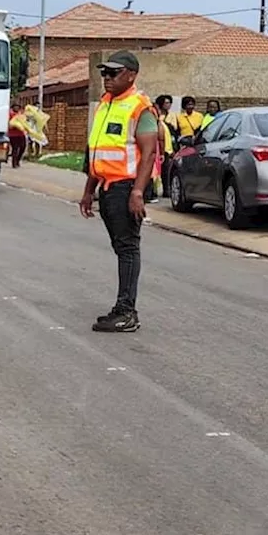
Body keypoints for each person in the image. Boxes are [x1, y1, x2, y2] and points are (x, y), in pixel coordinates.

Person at [79, 50, 158, 333]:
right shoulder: (106, 104)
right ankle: (122, 307)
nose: (107, 78)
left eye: (114, 73)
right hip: (108, 187)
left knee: (127, 248)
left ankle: (127, 312)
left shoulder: (140, 107)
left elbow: (149, 154)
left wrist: (137, 192)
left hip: (127, 187)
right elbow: (96, 151)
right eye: (104, 73)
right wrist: (89, 190)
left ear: (131, 75)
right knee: (120, 247)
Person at [154, 95, 176, 198]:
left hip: (168, 146)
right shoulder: (158, 118)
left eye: (169, 103)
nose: (168, 105)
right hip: (160, 148)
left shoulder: (172, 115)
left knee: (166, 171)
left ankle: (166, 190)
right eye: (166, 103)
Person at [7, 101, 28, 168]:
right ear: (12, 107)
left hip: (21, 134)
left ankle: (18, 160)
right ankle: (14, 163)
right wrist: (14, 125)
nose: (17, 108)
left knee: (23, 147)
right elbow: (9, 125)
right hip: (13, 135)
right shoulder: (10, 114)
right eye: (15, 107)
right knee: (15, 148)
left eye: (18, 107)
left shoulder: (20, 115)